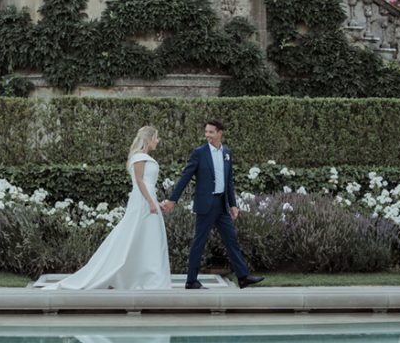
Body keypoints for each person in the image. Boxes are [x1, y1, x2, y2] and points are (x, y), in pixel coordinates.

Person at [48, 126, 171, 290]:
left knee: (147, 237)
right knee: (135, 234)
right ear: (149, 139)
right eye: (156, 138)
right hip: (143, 202)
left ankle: (146, 277)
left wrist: (156, 202)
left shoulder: (143, 157)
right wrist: (150, 202)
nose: (158, 141)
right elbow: (140, 182)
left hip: (147, 199)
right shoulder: (140, 157)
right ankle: (142, 277)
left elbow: (147, 184)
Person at [161, 119, 264, 290]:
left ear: (219, 133)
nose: (207, 135)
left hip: (222, 205)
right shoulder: (199, 153)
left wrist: (233, 204)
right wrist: (173, 200)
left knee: (231, 241)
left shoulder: (227, 153)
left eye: (211, 132)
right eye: (206, 132)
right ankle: (191, 280)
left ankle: (243, 277)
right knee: (199, 242)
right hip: (206, 205)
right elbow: (185, 177)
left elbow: (228, 181)